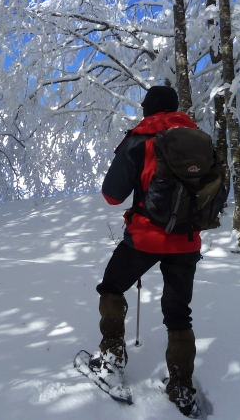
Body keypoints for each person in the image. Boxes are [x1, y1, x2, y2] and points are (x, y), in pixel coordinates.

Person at [92, 85, 202, 417]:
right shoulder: (199, 139)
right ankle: (182, 388)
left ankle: (111, 359)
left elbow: (112, 195)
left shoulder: (139, 139)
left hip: (145, 238)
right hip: (186, 240)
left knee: (112, 287)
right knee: (179, 313)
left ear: (149, 109)